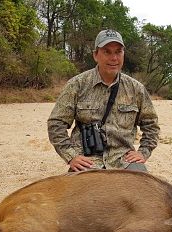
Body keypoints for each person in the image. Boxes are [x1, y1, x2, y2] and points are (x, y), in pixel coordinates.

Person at [47, 29, 160, 172]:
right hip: (87, 162)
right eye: (107, 52)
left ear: (123, 54)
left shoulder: (136, 89)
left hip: (124, 161)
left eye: (118, 52)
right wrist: (71, 156)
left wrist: (143, 152)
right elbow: (56, 123)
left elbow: (151, 126)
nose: (114, 58)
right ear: (95, 55)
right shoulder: (77, 85)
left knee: (144, 189)